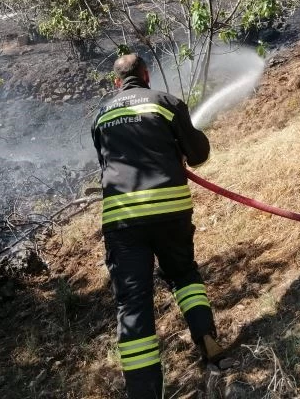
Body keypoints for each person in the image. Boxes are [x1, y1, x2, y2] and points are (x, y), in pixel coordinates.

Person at [91, 53, 225, 399]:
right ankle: (205, 336)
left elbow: (106, 162)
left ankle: (144, 390)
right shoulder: (166, 103)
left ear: (117, 83)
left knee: (132, 303)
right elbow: (196, 154)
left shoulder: (102, 115)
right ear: (146, 75)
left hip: (123, 220)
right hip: (170, 211)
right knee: (183, 274)